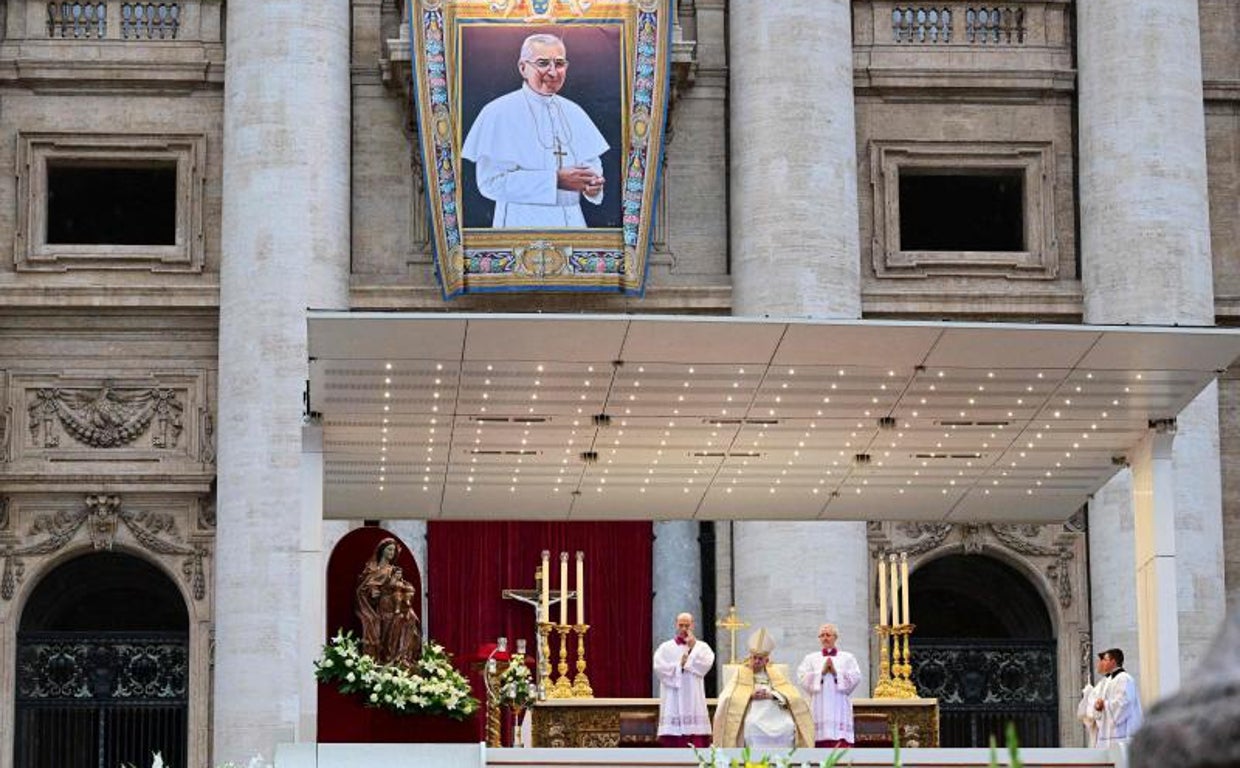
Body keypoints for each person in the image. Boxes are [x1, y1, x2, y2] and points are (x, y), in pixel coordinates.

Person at [461, 32, 609, 228]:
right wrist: (554, 180)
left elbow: (592, 168)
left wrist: (593, 187)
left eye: (559, 63)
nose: (553, 72)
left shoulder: (574, 112)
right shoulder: (498, 112)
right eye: (542, 63)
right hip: (519, 225)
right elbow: (490, 183)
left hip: (573, 227)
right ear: (523, 68)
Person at [713, 628, 814, 749]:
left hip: (775, 710)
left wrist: (773, 695)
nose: (756, 661)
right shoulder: (741, 672)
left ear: (766, 660)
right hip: (752, 709)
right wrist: (749, 695)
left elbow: (792, 694)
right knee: (752, 725)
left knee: (788, 726)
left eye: (760, 659)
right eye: (754, 658)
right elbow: (727, 695)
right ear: (750, 657)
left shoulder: (775, 672)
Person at [355, 538, 422, 668]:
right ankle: (387, 658)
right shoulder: (373, 569)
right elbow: (364, 588)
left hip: (396, 603)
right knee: (388, 627)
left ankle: (401, 657)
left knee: (409, 620)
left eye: (394, 550)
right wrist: (372, 593)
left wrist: (403, 588)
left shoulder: (394, 570)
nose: (392, 552)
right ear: (382, 550)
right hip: (384, 605)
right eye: (389, 549)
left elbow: (401, 586)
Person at [653, 612, 715, 747]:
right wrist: (678, 666)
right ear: (676, 625)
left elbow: (706, 664)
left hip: (693, 695)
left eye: (687, 625)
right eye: (681, 625)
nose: (684, 629)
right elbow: (659, 668)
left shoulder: (702, 647)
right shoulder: (665, 648)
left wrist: (692, 652)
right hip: (673, 697)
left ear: (693, 625)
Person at [796, 623, 862, 748]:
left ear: (835, 637)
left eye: (828, 635)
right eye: (821, 635)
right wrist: (821, 673)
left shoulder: (847, 657)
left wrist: (836, 673)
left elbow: (856, 677)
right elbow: (801, 677)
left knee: (839, 741)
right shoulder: (811, 658)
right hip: (818, 703)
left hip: (839, 703)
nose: (825, 638)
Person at [1077, 647, 1142, 747]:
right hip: (1106, 736)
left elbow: (1124, 703)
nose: (1102, 663)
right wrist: (1092, 700)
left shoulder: (1124, 679)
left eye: (1105, 660)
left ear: (1113, 662)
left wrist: (1104, 705)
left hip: (1121, 735)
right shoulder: (1106, 681)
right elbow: (1096, 702)